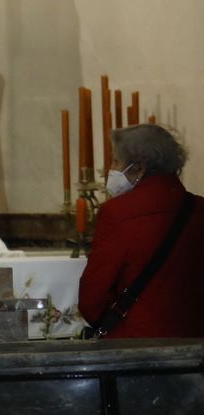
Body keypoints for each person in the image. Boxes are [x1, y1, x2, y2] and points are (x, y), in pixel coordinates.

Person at [79, 124, 204, 339]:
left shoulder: (117, 212)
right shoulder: (199, 209)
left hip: (137, 341)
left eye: (116, 161)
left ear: (138, 168)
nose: (111, 168)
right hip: (195, 339)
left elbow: (93, 296)